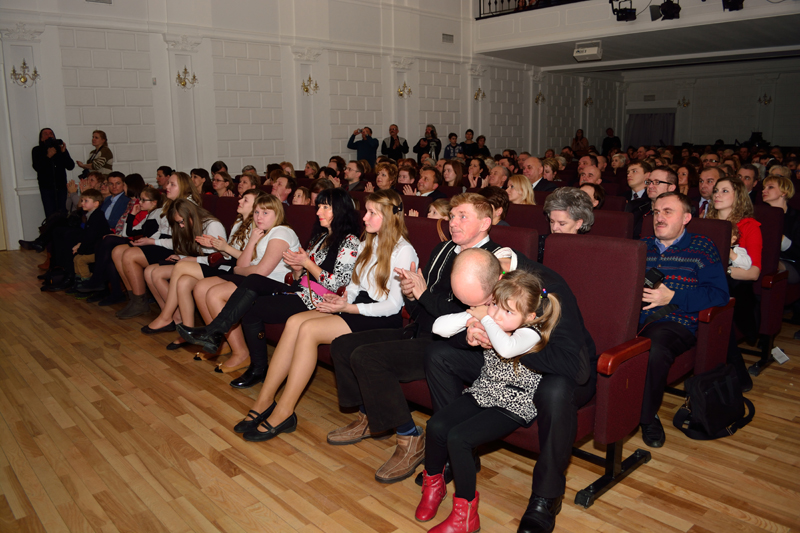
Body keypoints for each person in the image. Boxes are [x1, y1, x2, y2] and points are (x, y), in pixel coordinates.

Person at [228, 189, 418, 442]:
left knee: (308, 329)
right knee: (295, 322)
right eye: (366, 211)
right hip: (357, 307)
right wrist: (343, 299)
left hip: (380, 317)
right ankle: (264, 400)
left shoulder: (403, 250)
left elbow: (393, 306)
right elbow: (354, 285)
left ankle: (284, 411)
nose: (364, 217)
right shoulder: (368, 243)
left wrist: (349, 308)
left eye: (372, 213)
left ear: (389, 216)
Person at [416, 266, 561, 532]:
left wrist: (486, 319)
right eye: (495, 305)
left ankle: (466, 515)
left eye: (508, 311)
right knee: (436, 425)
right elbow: (438, 327)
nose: (497, 314)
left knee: (459, 438)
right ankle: (434, 487)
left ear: (529, 316)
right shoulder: (495, 319)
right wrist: (471, 320)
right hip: (485, 390)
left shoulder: (530, 333)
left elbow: (506, 348)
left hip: (514, 402)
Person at [180, 188, 361, 390]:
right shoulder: (319, 238)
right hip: (299, 290)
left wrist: (306, 264)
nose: (318, 212)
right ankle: (217, 332)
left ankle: (250, 361)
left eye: (325, 207)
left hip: (317, 300)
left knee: (252, 308)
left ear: (341, 209)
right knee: (254, 279)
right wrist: (297, 269)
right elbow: (300, 276)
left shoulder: (350, 241)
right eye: (318, 206)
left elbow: (338, 284)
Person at [637, 192, 730, 448]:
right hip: (635, 319)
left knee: (653, 348)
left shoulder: (702, 247)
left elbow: (719, 295)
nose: (659, 217)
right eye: (656, 212)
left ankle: (647, 417)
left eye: (668, 212)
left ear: (686, 218)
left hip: (677, 323)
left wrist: (673, 296)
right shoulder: (641, 246)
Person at [175, 193, 300, 368]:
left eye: (265, 213)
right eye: (256, 212)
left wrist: (240, 270)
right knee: (201, 287)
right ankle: (218, 341)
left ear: (277, 213)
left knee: (214, 294)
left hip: (273, 284)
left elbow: (259, 271)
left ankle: (239, 351)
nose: (259, 217)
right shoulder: (261, 232)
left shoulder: (282, 231)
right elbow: (242, 263)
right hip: (255, 279)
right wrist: (252, 241)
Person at [141, 189, 262, 339]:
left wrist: (219, 248)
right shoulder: (239, 222)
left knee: (180, 266)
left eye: (245, 200)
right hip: (221, 263)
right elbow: (225, 253)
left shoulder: (254, 228)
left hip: (223, 267)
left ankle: (166, 316)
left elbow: (230, 257)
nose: (239, 200)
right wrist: (217, 248)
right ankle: (188, 332)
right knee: (183, 281)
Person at [113, 172, 203, 318]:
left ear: (183, 187)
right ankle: (134, 298)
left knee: (130, 255)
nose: (167, 187)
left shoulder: (187, 206)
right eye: (168, 183)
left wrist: (152, 242)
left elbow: (182, 240)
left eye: (172, 184)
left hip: (177, 249)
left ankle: (141, 302)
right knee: (118, 251)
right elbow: (161, 230)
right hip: (163, 242)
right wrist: (147, 240)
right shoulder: (169, 203)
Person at [761, 175, 799, 284]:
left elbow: (797, 252)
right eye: (764, 187)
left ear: (784, 192)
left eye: (770, 187)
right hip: (764, 259)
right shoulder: (760, 216)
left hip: (792, 263)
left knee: (767, 263)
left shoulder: (796, 218)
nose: (764, 191)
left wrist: (782, 240)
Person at [32, 128, 75, 217]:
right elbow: (37, 167)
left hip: (61, 187)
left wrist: (64, 153)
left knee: (63, 213)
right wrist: (48, 156)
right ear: (41, 138)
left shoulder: (60, 148)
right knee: (50, 214)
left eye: (51, 133)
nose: (49, 136)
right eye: (45, 134)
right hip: (46, 188)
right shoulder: (37, 150)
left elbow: (70, 166)